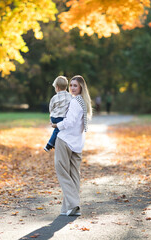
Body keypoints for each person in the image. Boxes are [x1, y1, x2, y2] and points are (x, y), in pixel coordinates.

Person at [51, 75, 92, 216]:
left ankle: (74, 204)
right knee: (74, 175)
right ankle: (69, 208)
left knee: (62, 172)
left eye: (75, 85)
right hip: (77, 143)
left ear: (81, 87)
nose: (73, 88)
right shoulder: (83, 102)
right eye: (71, 85)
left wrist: (56, 124)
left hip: (65, 140)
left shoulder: (75, 102)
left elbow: (68, 122)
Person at [44, 76, 72, 152]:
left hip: (54, 117)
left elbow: (51, 108)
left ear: (57, 87)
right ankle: (49, 145)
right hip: (62, 118)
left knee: (57, 130)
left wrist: (51, 118)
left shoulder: (54, 97)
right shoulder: (70, 96)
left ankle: (54, 144)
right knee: (57, 130)